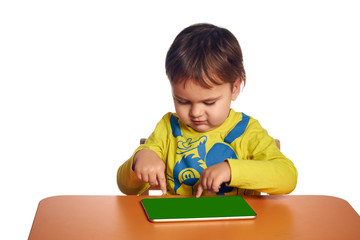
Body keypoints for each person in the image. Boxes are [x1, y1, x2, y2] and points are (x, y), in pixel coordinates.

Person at [117, 23, 297, 198]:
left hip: (237, 226)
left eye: (209, 102)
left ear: (234, 88)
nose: (195, 112)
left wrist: (231, 170)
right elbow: (125, 187)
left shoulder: (247, 131)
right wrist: (140, 159)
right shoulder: (168, 128)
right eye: (182, 101)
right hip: (178, 225)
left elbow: (288, 176)